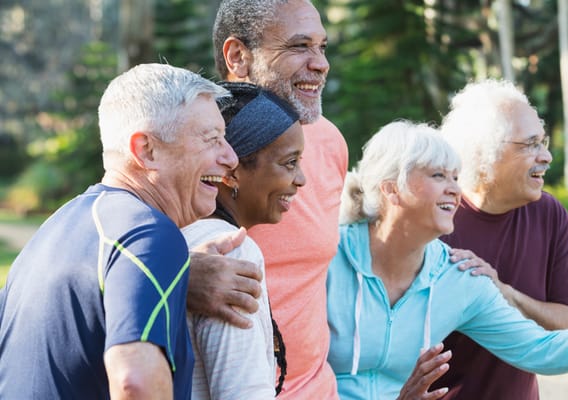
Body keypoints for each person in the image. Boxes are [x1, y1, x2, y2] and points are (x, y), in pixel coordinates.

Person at [326, 120, 568, 400]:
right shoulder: (327, 257)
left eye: (455, 177)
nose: (454, 190)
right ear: (391, 189)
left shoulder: (458, 277)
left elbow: (541, 349)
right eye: (438, 176)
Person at [0, 63, 238, 399]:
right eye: (212, 139)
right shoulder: (149, 234)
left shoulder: (53, 230)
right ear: (146, 150)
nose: (230, 157)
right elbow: (134, 383)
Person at [188, 1, 349, 397]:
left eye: (322, 47)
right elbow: (104, 247)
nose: (320, 64)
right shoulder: (186, 147)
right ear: (238, 56)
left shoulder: (329, 142)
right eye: (299, 47)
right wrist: (177, 277)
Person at [429, 79, 568, 399]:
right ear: (483, 153)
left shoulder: (548, 214)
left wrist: (507, 295)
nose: (545, 156)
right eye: (530, 144)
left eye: (543, 143)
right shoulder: (432, 218)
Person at [182, 82, 305, 399]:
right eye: (290, 163)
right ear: (232, 171)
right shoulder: (230, 254)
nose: (301, 179)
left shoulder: (170, 242)